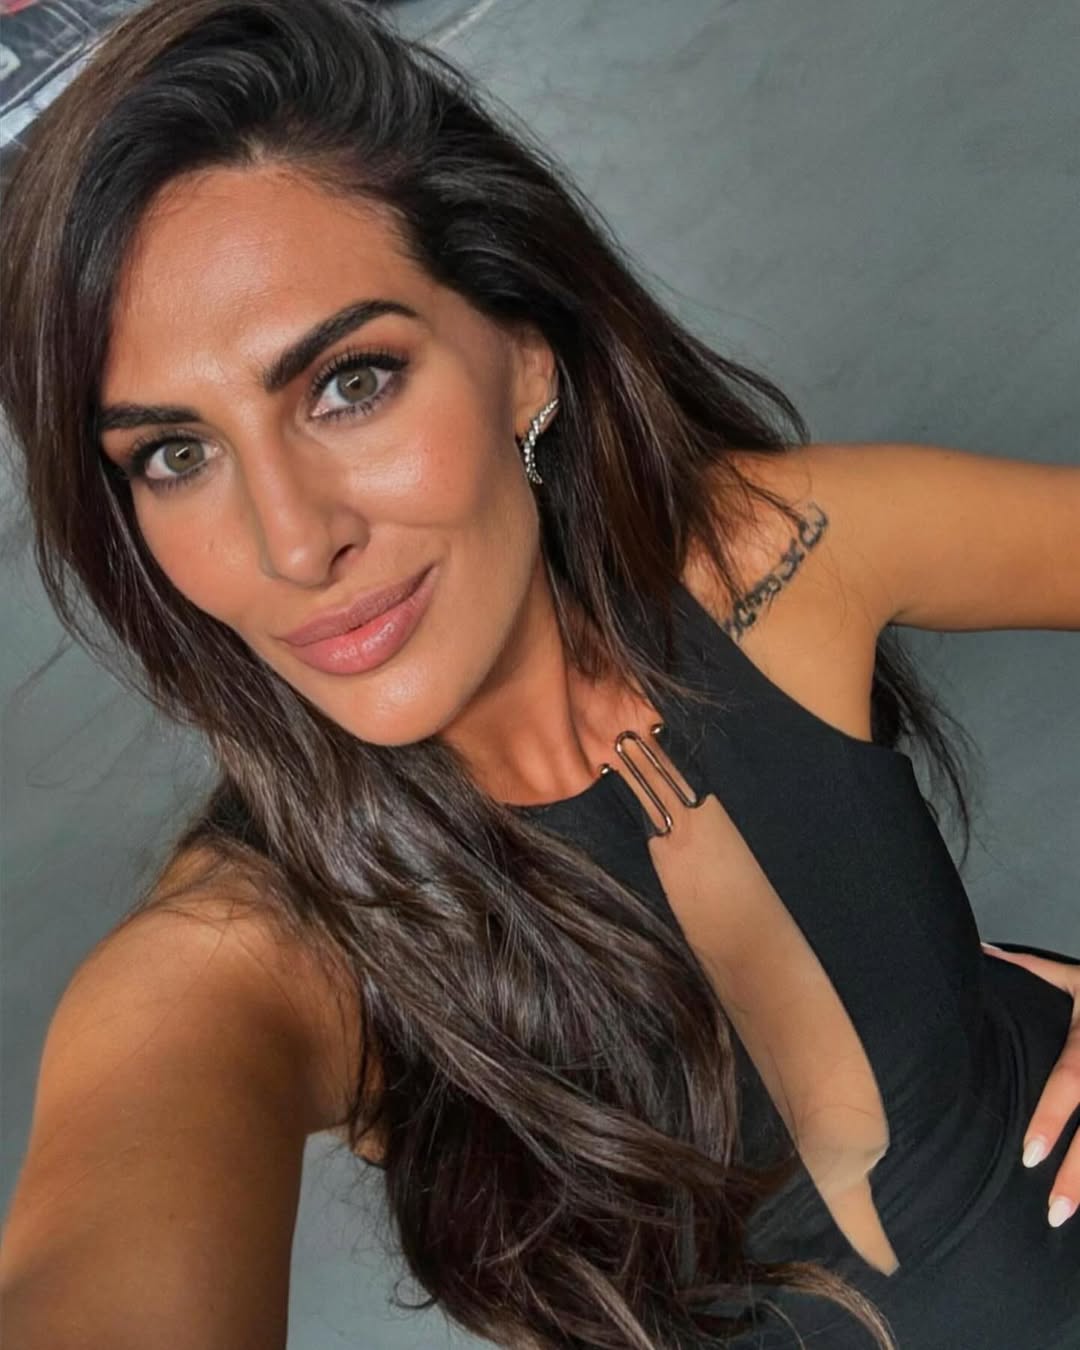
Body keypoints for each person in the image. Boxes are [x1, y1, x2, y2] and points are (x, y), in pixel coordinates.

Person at [0, 1, 1077, 1347]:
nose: (292, 544)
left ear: (522, 359)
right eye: (175, 455)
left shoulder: (771, 561)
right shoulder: (262, 945)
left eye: (350, 383)